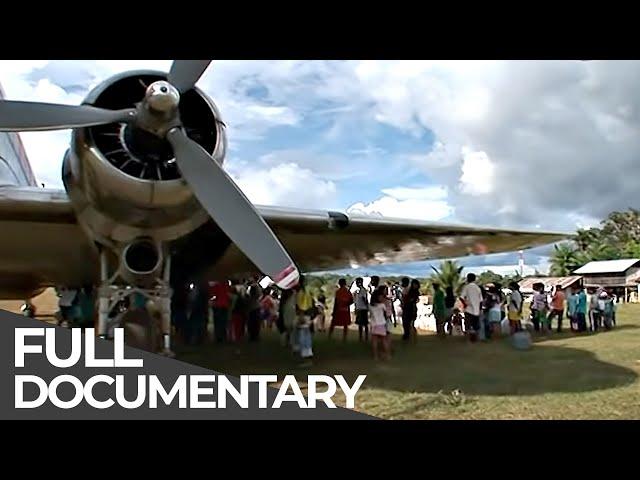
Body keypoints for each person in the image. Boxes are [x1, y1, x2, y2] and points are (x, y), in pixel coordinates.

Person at [295, 276, 315, 365]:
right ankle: (307, 356)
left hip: (303, 315)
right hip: (308, 315)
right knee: (306, 336)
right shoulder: (307, 290)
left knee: (303, 338)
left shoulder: (301, 292)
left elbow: (301, 306)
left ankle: (306, 358)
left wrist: (301, 316)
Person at [459, 273, 483, 343]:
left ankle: (468, 340)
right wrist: (480, 309)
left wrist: (465, 304)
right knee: (476, 326)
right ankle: (476, 339)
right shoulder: (478, 288)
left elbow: (461, 297)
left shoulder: (466, 287)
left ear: (467, 279)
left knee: (468, 326)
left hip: (469, 309)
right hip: (476, 310)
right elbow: (481, 300)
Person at [369, 287, 391, 360]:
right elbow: (386, 314)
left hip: (373, 324)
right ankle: (387, 355)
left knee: (374, 341)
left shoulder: (370, 306)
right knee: (384, 340)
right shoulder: (382, 305)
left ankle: (375, 356)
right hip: (381, 324)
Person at [246, 276, 263, 342]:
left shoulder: (253, 287)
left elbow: (252, 296)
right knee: (255, 322)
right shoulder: (257, 286)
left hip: (252, 307)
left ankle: (253, 336)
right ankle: (255, 335)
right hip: (256, 306)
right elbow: (259, 295)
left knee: (252, 322)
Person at [353, 277, 370, 342]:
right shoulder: (358, 291)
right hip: (359, 308)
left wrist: (367, 307)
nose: (357, 284)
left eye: (357, 282)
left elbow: (364, 299)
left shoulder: (362, 290)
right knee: (360, 324)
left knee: (364, 324)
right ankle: (361, 337)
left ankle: (365, 337)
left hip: (362, 309)